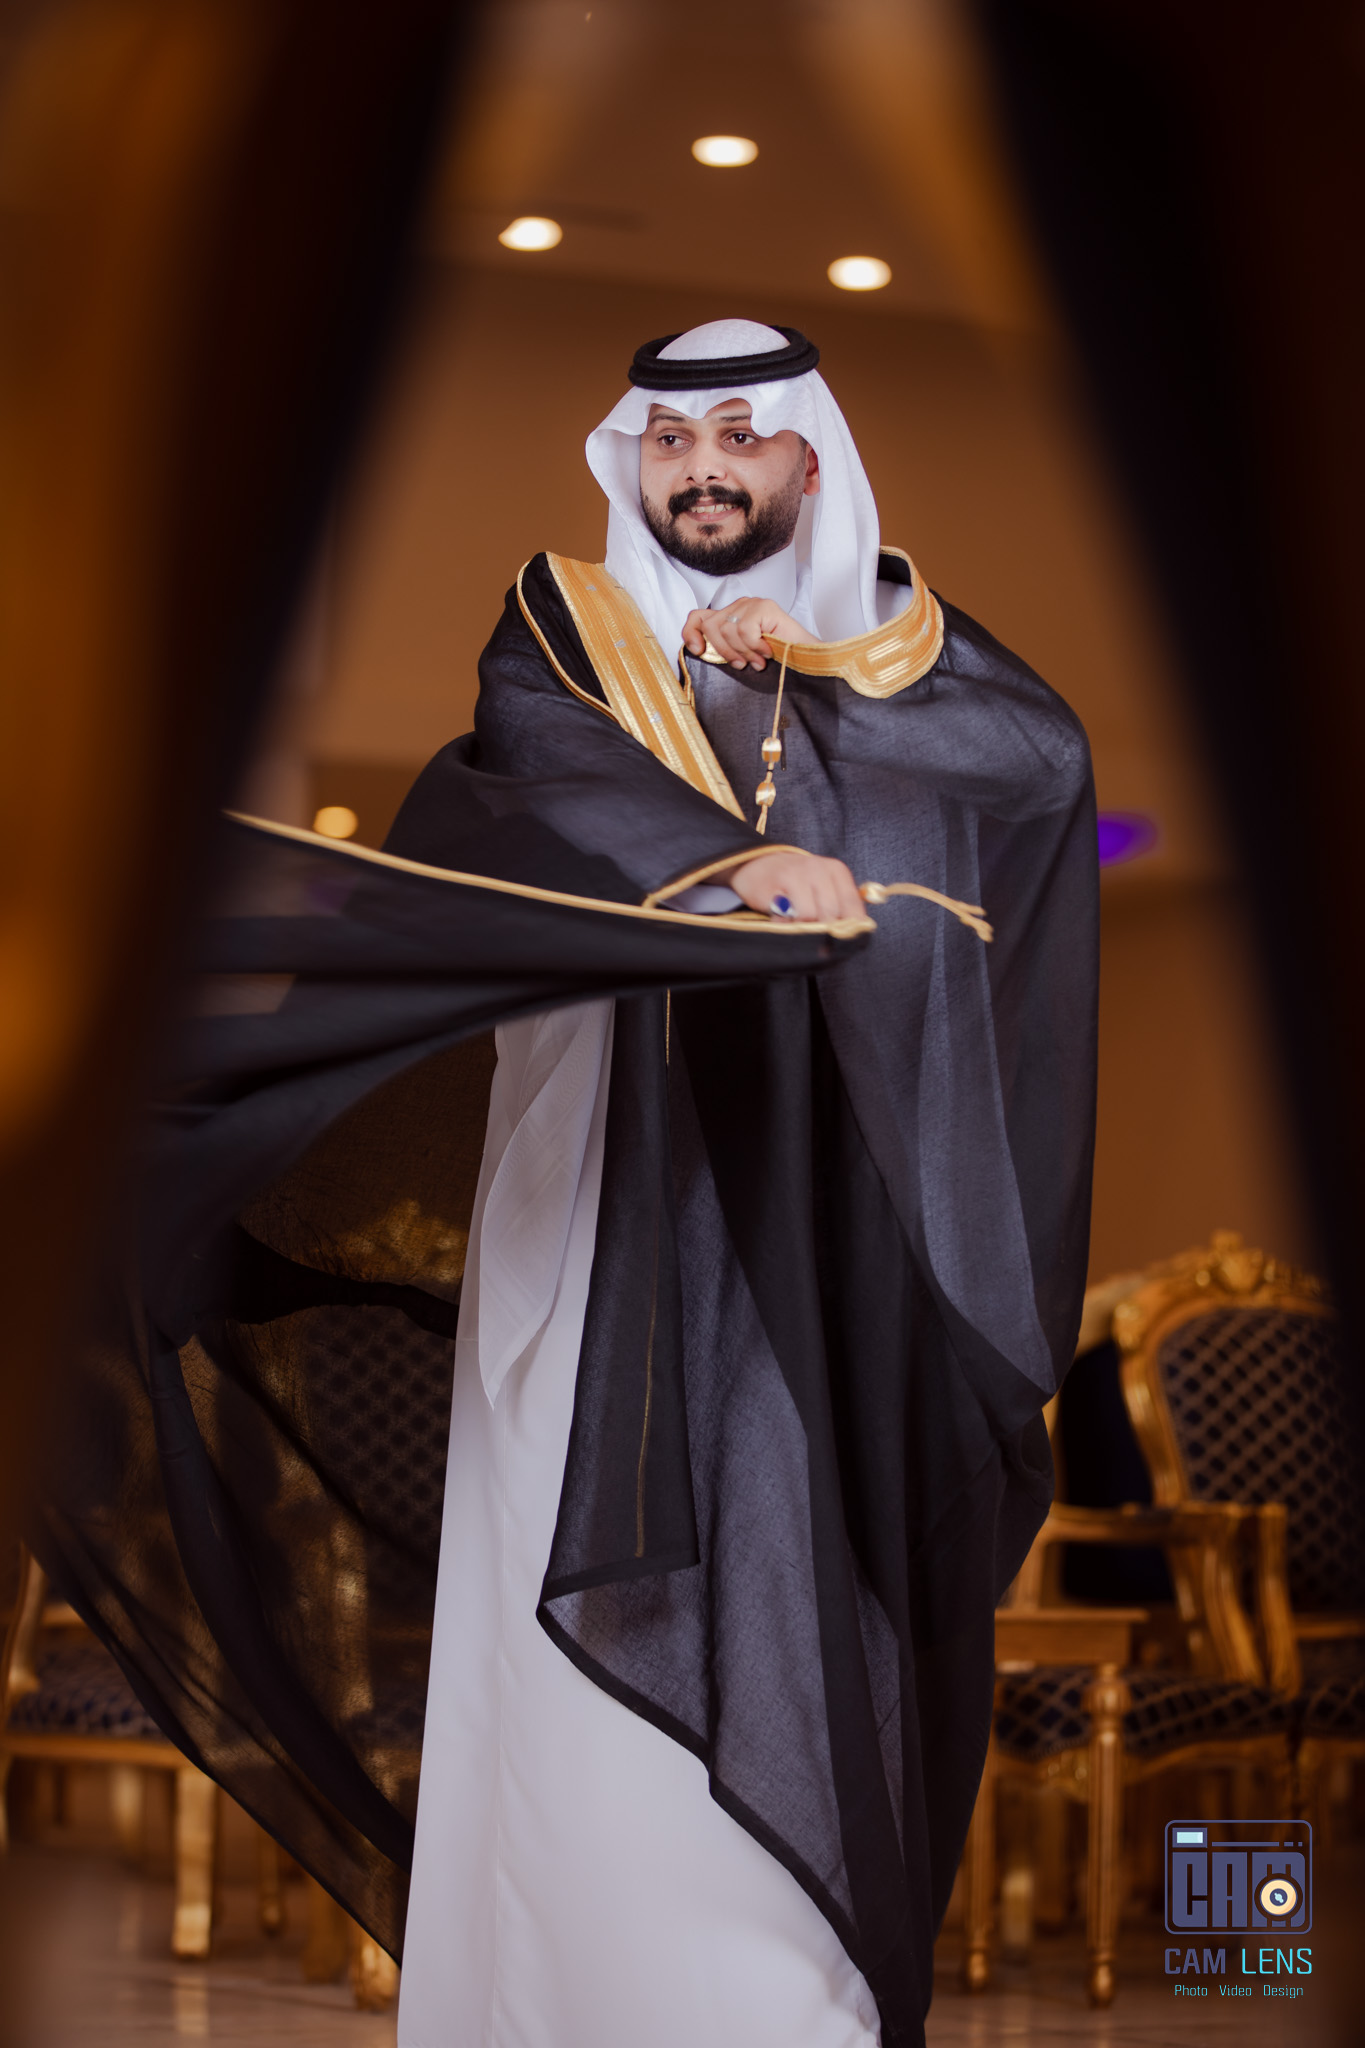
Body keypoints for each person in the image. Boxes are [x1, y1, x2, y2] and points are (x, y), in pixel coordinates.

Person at [31, 320, 1095, 2048]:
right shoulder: (568, 628)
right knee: (574, 1602)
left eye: (737, 438)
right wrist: (737, 862)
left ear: (804, 458)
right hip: (599, 1207)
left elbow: (1037, 770)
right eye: (670, 443)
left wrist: (818, 672)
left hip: (828, 1228)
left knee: (803, 1572)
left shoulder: (904, 645)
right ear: (630, 462)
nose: (702, 470)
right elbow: (544, 773)